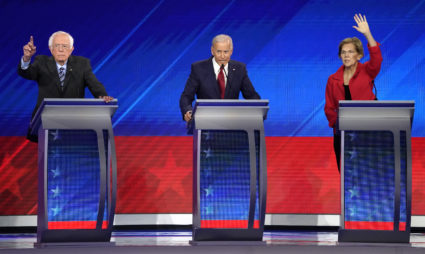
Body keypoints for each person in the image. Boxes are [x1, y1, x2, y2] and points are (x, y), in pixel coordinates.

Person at [18, 31, 113, 142]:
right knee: (48, 156)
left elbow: (94, 84)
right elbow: (27, 73)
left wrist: (102, 96)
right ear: (50, 48)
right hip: (45, 121)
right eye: (57, 46)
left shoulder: (82, 64)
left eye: (65, 46)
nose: (61, 49)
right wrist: (26, 58)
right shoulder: (41, 62)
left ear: (71, 49)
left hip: (74, 121)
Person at [325, 14, 383, 172]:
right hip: (344, 133)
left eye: (350, 52)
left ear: (359, 55)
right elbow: (329, 108)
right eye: (343, 52)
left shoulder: (367, 71)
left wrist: (367, 34)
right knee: (346, 172)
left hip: (367, 129)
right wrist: (338, 125)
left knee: (369, 171)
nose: (346, 55)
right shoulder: (333, 79)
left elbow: (377, 58)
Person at [179, 34, 260, 122]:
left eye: (226, 52)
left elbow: (251, 95)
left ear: (231, 51)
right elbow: (186, 96)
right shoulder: (198, 68)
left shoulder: (239, 69)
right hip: (205, 122)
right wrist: (188, 111)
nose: (222, 56)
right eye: (218, 51)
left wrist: (259, 112)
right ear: (212, 51)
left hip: (232, 123)